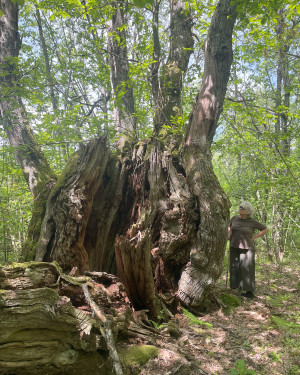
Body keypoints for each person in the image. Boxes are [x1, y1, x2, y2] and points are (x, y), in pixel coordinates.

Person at [228, 201, 269, 299]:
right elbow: (229, 226)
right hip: (234, 246)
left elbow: (265, 229)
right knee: (235, 267)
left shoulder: (252, 221)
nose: (240, 208)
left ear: (248, 210)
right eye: (240, 206)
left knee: (247, 269)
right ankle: (237, 287)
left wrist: (254, 237)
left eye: (242, 207)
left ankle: (249, 292)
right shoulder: (234, 218)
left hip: (247, 248)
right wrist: (229, 233)